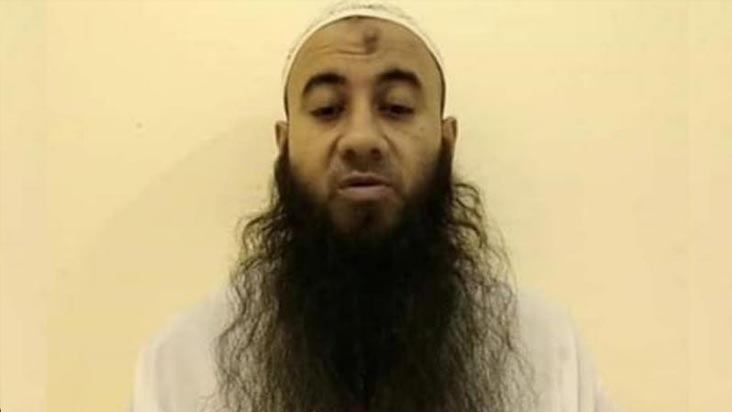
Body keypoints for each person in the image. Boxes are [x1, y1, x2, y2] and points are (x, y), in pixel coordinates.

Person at [131, 1, 615, 411]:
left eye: (397, 107)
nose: (361, 138)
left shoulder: (546, 349)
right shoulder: (184, 361)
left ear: (446, 142)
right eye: (327, 109)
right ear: (284, 145)